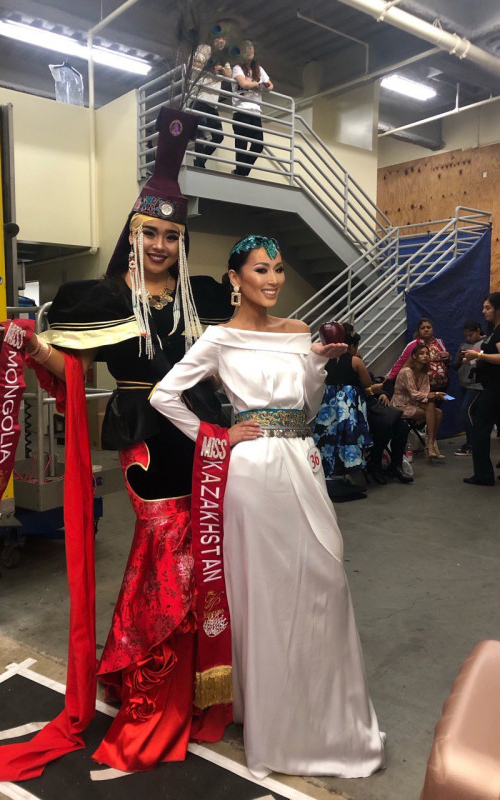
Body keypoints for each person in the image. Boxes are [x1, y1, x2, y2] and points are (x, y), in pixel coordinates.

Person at [0, 107, 234, 772]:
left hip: (207, 442)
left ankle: (192, 688)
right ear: (134, 233)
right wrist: (17, 338)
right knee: (164, 562)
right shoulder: (106, 300)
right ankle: (152, 697)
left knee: (206, 564)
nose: (160, 246)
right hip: (148, 444)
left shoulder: (201, 297)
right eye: (150, 233)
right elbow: (69, 365)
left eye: (170, 235)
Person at [150, 235, 385, 780]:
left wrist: (318, 365)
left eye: (278, 269)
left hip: (304, 461)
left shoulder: (299, 331)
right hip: (252, 474)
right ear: (235, 279)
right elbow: (164, 395)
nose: (274, 279)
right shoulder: (218, 338)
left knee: (325, 578)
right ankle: (271, 722)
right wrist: (216, 435)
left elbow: (309, 408)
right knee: (265, 591)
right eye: (261, 270)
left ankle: (326, 716)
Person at [313, 330, 372, 483]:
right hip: (349, 401)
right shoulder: (356, 361)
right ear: (351, 346)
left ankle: (329, 468)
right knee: (349, 434)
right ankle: (350, 468)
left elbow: (326, 381)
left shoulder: (326, 360)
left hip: (330, 400)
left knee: (329, 433)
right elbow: (367, 383)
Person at [462, 292, 500, 486]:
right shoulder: (493, 330)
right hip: (491, 385)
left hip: (495, 388)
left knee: (480, 428)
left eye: (488, 307)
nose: (484, 311)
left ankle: (484, 475)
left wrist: (479, 356)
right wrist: (475, 356)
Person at [391, 344, 446, 460]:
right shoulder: (406, 371)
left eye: (427, 354)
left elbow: (424, 393)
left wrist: (434, 395)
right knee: (434, 412)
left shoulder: (424, 373)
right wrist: (433, 395)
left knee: (438, 411)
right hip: (400, 405)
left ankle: (430, 443)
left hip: (414, 404)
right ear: (414, 356)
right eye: (421, 353)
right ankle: (430, 445)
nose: (425, 356)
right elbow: (414, 394)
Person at [231, 41, 273, 177]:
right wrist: (257, 84)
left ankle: (241, 173)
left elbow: (271, 85)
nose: (250, 50)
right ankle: (240, 174)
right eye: (246, 48)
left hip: (255, 112)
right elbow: (243, 83)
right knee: (242, 145)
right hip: (241, 110)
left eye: (251, 48)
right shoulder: (237, 68)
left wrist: (264, 86)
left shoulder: (259, 69)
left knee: (258, 145)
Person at [191, 39, 231, 169]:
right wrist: (211, 68)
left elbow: (229, 75)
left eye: (224, 40)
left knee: (219, 136)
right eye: (220, 38)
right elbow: (194, 63)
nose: (222, 42)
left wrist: (221, 68)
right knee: (200, 133)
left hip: (213, 103)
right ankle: (200, 164)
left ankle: (200, 161)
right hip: (199, 98)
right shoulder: (204, 48)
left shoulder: (223, 59)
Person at [388, 317, 451, 392]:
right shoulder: (413, 345)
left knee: (446, 397)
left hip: (443, 387)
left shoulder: (440, 342)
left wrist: (448, 357)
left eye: (428, 327)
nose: (426, 330)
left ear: (432, 329)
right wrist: (391, 376)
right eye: (423, 328)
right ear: (419, 331)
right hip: (422, 389)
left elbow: (447, 362)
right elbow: (401, 362)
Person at [452, 320, 484, 457]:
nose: (468, 338)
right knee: (472, 414)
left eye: (471, 335)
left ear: (478, 331)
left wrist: (475, 357)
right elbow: (455, 365)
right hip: (464, 383)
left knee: (466, 410)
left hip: (477, 384)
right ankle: (473, 443)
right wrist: (461, 359)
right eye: (466, 336)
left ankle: (472, 444)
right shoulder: (464, 345)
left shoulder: (485, 343)